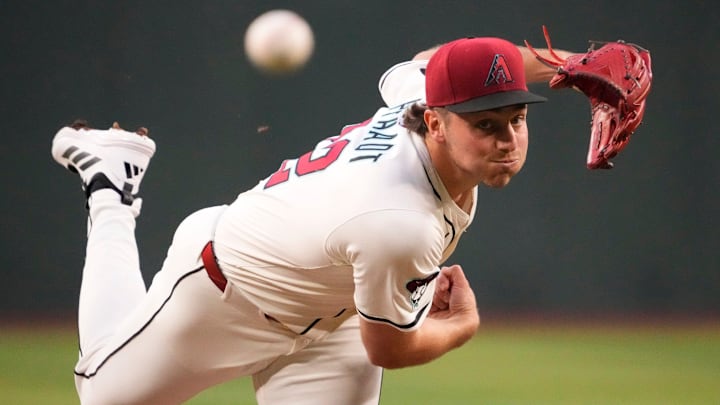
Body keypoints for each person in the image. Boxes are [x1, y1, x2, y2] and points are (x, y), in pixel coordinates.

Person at [52, 36, 574, 404]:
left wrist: (574, 65)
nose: (507, 139)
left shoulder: (418, 101)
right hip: (224, 293)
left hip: (337, 315)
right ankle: (110, 188)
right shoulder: (398, 220)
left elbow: (429, 60)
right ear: (435, 123)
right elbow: (390, 347)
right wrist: (460, 326)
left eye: (517, 118)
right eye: (486, 124)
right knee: (103, 398)